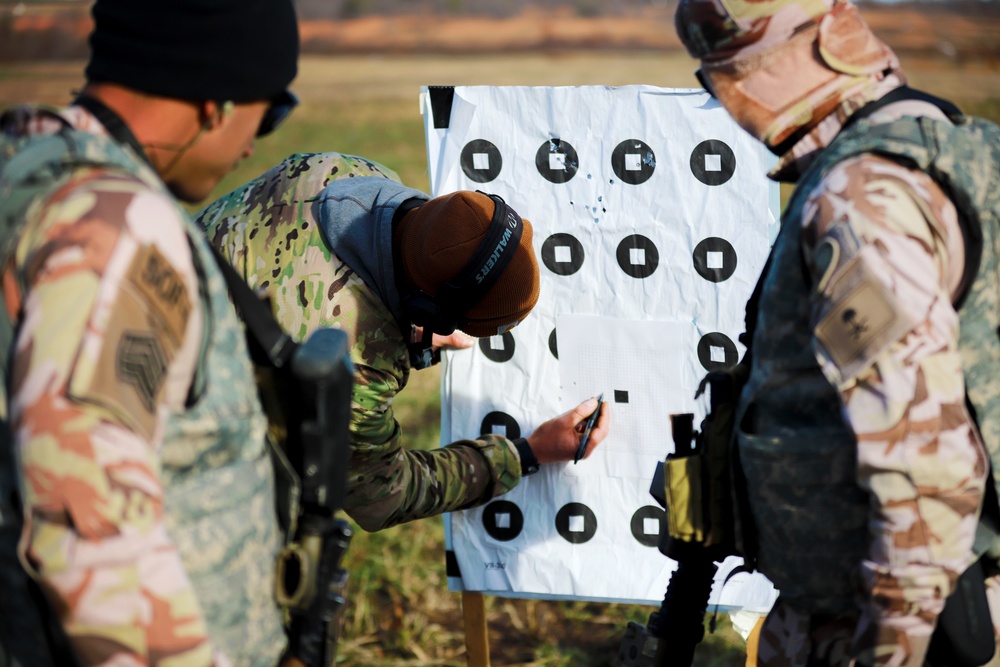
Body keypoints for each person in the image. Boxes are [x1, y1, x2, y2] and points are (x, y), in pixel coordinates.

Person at [673, 1, 1000, 666]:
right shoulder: (970, 147)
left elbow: (925, 465)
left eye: (722, 84)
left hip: (892, 619)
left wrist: (891, 648)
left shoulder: (861, 198)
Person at [0, 0, 301, 665]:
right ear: (216, 101)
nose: (255, 143)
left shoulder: (29, 160)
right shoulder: (118, 230)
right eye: (270, 110)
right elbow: (88, 512)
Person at [196, 152, 611, 532]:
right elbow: (381, 496)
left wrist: (413, 333)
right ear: (431, 310)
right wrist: (527, 452)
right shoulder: (355, 358)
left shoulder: (344, 170)